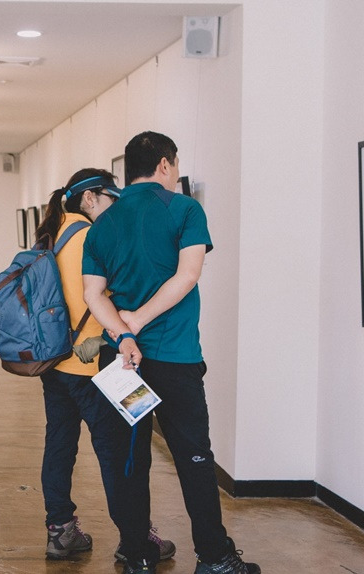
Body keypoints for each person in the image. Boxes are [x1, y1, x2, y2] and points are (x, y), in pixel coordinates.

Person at [81, 132, 260, 574]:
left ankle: (136, 553)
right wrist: (139, 322)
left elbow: (93, 295)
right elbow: (188, 275)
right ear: (165, 164)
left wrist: (124, 335)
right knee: (194, 458)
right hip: (175, 359)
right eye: (175, 164)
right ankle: (215, 558)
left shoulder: (102, 224)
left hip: (124, 361)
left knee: (130, 458)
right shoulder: (184, 209)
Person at [33, 169, 175, 563]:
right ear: (90, 198)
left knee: (59, 446)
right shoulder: (90, 237)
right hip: (99, 365)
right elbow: (103, 298)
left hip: (57, 365)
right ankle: (136, 540)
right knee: (122, 455)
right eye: (112, 198)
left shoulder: (54, 233)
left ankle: (60, 531)